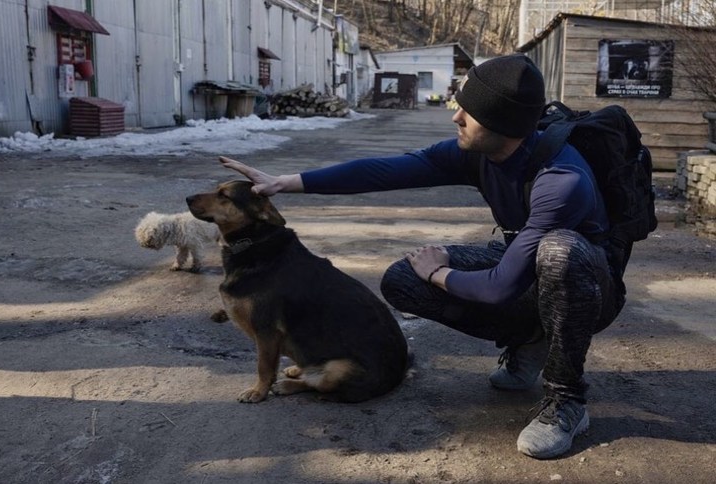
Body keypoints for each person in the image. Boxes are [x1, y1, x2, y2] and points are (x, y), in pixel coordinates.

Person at [218, 53, 624, 459]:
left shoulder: (562, 180)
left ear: (504, 123)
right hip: (526, 267)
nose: (456, 118)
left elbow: (501, 287)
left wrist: (439, 274)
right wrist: (286, 183)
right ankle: (530, 339)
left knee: (558, 253)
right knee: (402, 280)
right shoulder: (478, 153)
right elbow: (388, 170)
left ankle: (566, 402)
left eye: (469, 111)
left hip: (587, 286)